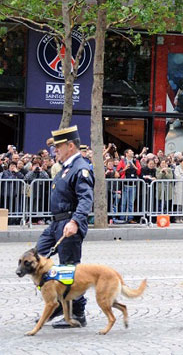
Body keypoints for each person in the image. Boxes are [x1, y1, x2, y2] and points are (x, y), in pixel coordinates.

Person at [35, 126, 94, 328]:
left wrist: (75, 222)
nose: (55, 151)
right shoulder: (66, 167)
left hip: (69, 223)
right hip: (56, 223)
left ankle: (77, 312)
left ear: (70, 146)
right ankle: (59, 303)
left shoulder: (80, 167)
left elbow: (86, 199)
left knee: (70, 269)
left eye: (57, 147)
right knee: (37, 257)